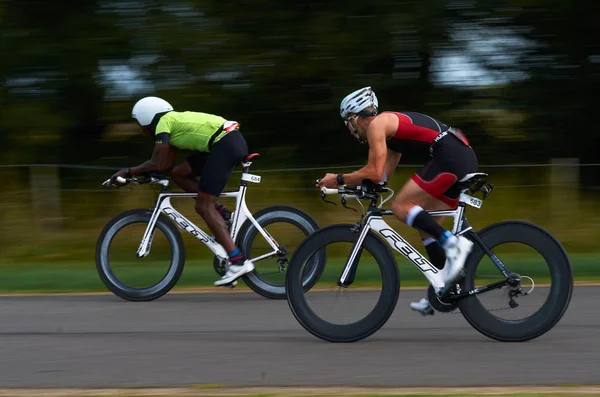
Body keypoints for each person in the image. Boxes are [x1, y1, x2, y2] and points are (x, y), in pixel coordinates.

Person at [316, 86, 478, 315]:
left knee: (401, 206)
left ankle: (453, 243)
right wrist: (354, 188)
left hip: (451, 156)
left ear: (354, 117)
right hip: (460, 154)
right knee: (426, 228)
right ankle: (443, 287)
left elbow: (372, 171)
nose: (349, 129)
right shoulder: (391, 138)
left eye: (347, 122)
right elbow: (379, 179)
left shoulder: (377, 125)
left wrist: (338, 179)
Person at [110, 96, 254, 286]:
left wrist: (128, 172)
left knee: (203, 206)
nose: (140, 129)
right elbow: (164, 166)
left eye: (139, 124)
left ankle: (237, 262)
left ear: (146, 118)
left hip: (225, 143)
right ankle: (224, 215)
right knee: (179, 174)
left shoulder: (163, 123)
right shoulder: (172, 124)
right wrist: (142, 174)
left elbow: (155, 163)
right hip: (225, 141)